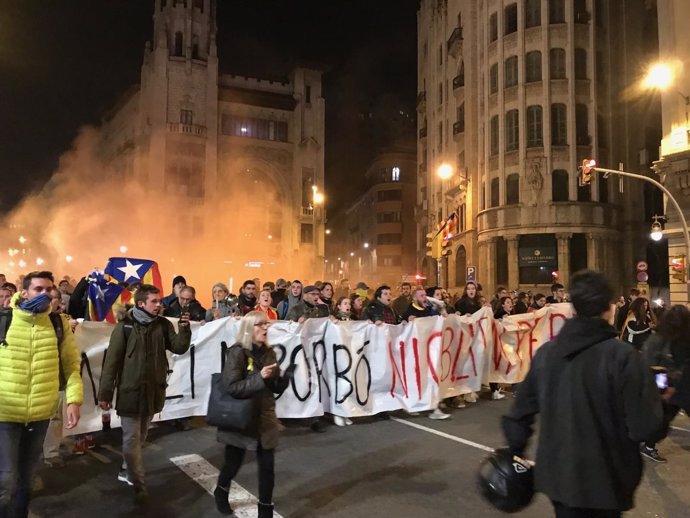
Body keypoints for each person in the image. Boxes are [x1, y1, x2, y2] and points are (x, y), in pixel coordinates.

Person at [502, 270, 663, 518]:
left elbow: (520, 414)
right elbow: (645, 426)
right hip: (607, 480)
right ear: (609, 309)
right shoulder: (623, 357)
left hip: (559, 477)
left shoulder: (547, 354)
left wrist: (514, 452)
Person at [98, 284, 192, 503]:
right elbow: (111, 362)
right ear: (141, 303)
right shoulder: (125, 327)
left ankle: (126, 467)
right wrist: (105, 393)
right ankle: (138, 484)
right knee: (131, 438)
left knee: (141, 436)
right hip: (130, 392)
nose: (159, 305)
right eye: (154, 301)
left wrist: (185, 330)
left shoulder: (163, 324)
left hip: (153, 392)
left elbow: (178, 347)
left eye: (159, 301)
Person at [0, 271, 83, 517]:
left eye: (49, 290)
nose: (45, 295)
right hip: (5, 413)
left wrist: (73, 400)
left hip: (40, 415)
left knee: (26, 478)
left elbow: (71, 365)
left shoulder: (58, 325)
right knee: (5, 480)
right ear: (23, 293)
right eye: (39, 289)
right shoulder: (4, 320)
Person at [213, 311, 294, 517]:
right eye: (261, 324)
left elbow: (273, 387)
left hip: (265, 417)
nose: (266, 328)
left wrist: (283, 380)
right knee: (233, 463)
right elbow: (232, 387)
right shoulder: (237, 353)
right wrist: (260, 377)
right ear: (249, 328)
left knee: (267, 468)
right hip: (241, 417)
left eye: (267, 324)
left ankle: (265, 511)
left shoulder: (269, 353)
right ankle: (221, 491)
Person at [641, 304, 690, 463]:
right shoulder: (659, 339)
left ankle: (648, 444)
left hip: (680, 385)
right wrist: (664, 389)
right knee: (662, 420)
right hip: (667, 385)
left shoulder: (680, 336)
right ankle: (648, 445)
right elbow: (653, 367)